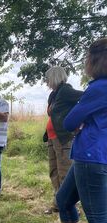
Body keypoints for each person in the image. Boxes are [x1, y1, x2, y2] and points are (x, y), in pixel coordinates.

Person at [39, 38, 107, 223]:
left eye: (88, 58)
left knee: (98, 216)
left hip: (91, 157)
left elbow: (69, 122)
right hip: (88, 155)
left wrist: (80, 121)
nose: (86, 62)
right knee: (64, 199)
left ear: (96, 60)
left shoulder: (99, 87)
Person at [43, 67, 83, 214]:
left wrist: (79, 121)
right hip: (52, 137)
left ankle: (72, 207)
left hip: (63, 137)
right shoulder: (53, 95)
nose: (46, 81)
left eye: (47, 78)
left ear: (54, 77)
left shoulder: (66, 90)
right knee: (53, 172)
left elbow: (85, 97)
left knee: (65, 173)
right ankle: (58, 204)